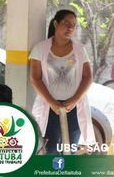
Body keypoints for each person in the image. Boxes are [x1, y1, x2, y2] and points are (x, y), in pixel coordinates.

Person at [29, 9, 95, 155]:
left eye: (73, 25)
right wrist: (52, 102)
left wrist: (74, 100)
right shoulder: (40, 48)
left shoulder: (79, 50)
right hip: (49, 106)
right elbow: (35, 78)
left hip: (74, 108)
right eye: (66, 23)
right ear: (55, 23)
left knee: (69, 151)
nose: (70, 28)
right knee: (50, 150)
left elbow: (88, 78)